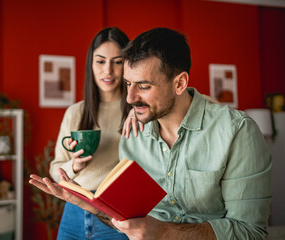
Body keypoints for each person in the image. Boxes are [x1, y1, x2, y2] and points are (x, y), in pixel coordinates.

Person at [30, 27, 272, 240]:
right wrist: (88, 205)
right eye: (128, 84)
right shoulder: (133, 135)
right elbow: (131, 222)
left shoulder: (236, 132)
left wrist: (165, 234)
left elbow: (250, 232)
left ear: (179, 84)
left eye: (144, 86)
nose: (130, 98)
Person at [48, 27, 130, 240]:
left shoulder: (137, 111)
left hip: (116, 214)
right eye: (101, 61)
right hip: (73, 212)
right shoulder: (76, 112)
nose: (108, 71)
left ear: (128, 64)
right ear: (91, 64)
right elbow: (55, 169)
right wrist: (74, 165)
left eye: (117, 62)